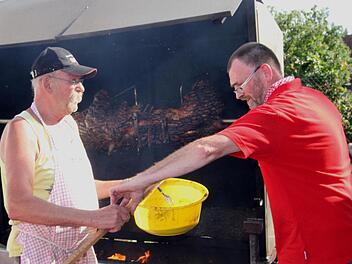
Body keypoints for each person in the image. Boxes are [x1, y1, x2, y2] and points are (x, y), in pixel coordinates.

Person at [110, 42, 352, 264]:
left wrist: (139, 180)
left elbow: (207, 149)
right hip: (340, 234)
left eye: (240, 85)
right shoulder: (314, 99)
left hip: (315, 248)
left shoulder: (278, 114)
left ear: (265, 72)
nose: (238, 95)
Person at [0, 47, 130, 263]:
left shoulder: (69, 125)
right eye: (73, 81)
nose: (82, 89)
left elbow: (80, 186)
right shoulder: (22, 129)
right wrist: (95, 217)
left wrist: (128, 184)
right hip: (41, 253)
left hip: (78, 250)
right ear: (48, 84)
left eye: (81, 81)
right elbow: (18, 205)